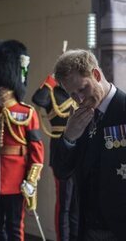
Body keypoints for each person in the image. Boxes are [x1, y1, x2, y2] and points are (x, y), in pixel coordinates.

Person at [52, 49, 126, 241]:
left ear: (96, 75)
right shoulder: (79, 118)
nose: (80, 99)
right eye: (72, 95)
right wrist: (69, 137)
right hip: (88, 230)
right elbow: (61, 171)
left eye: (83, 89)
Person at [0, 39, 44, 241]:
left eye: (5, 83)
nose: (1, 88)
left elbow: (36, 152)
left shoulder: (27, 113)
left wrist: (31, 180)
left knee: (14, 229)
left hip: (16, 181)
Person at [32, 73, 79, 241]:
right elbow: (38, 99)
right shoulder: (52, 92)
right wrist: (50, 80)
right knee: (64, 204)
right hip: (60, 150)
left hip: (78, 150)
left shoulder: (77, 92)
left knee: (77, 203)